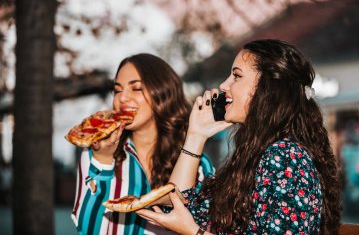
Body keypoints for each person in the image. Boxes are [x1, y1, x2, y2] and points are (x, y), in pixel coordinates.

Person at [136, 39, 341, 234]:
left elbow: (188, 222)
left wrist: (193, 232)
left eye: (236, 76)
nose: (224, 86)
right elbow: (179, 207)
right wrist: (196, 135)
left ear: (267, 88)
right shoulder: (257, 155)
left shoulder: (285, 157)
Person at [71, 53, 214, 235]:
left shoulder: (198, 163)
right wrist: (103, 161)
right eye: (117, 90)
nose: (122, 98)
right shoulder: (95, 152)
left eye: (136, 88)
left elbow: (207, 225)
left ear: (163, 93)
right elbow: (87, 229)